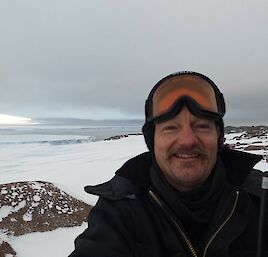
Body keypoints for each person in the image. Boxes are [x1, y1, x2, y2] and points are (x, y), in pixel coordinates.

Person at [69, 71, 268, 257]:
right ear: (152, 141)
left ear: (218, 138)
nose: (187, 141)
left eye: (202, 126)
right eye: (171, 128)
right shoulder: (120, 209)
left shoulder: (261, 198)